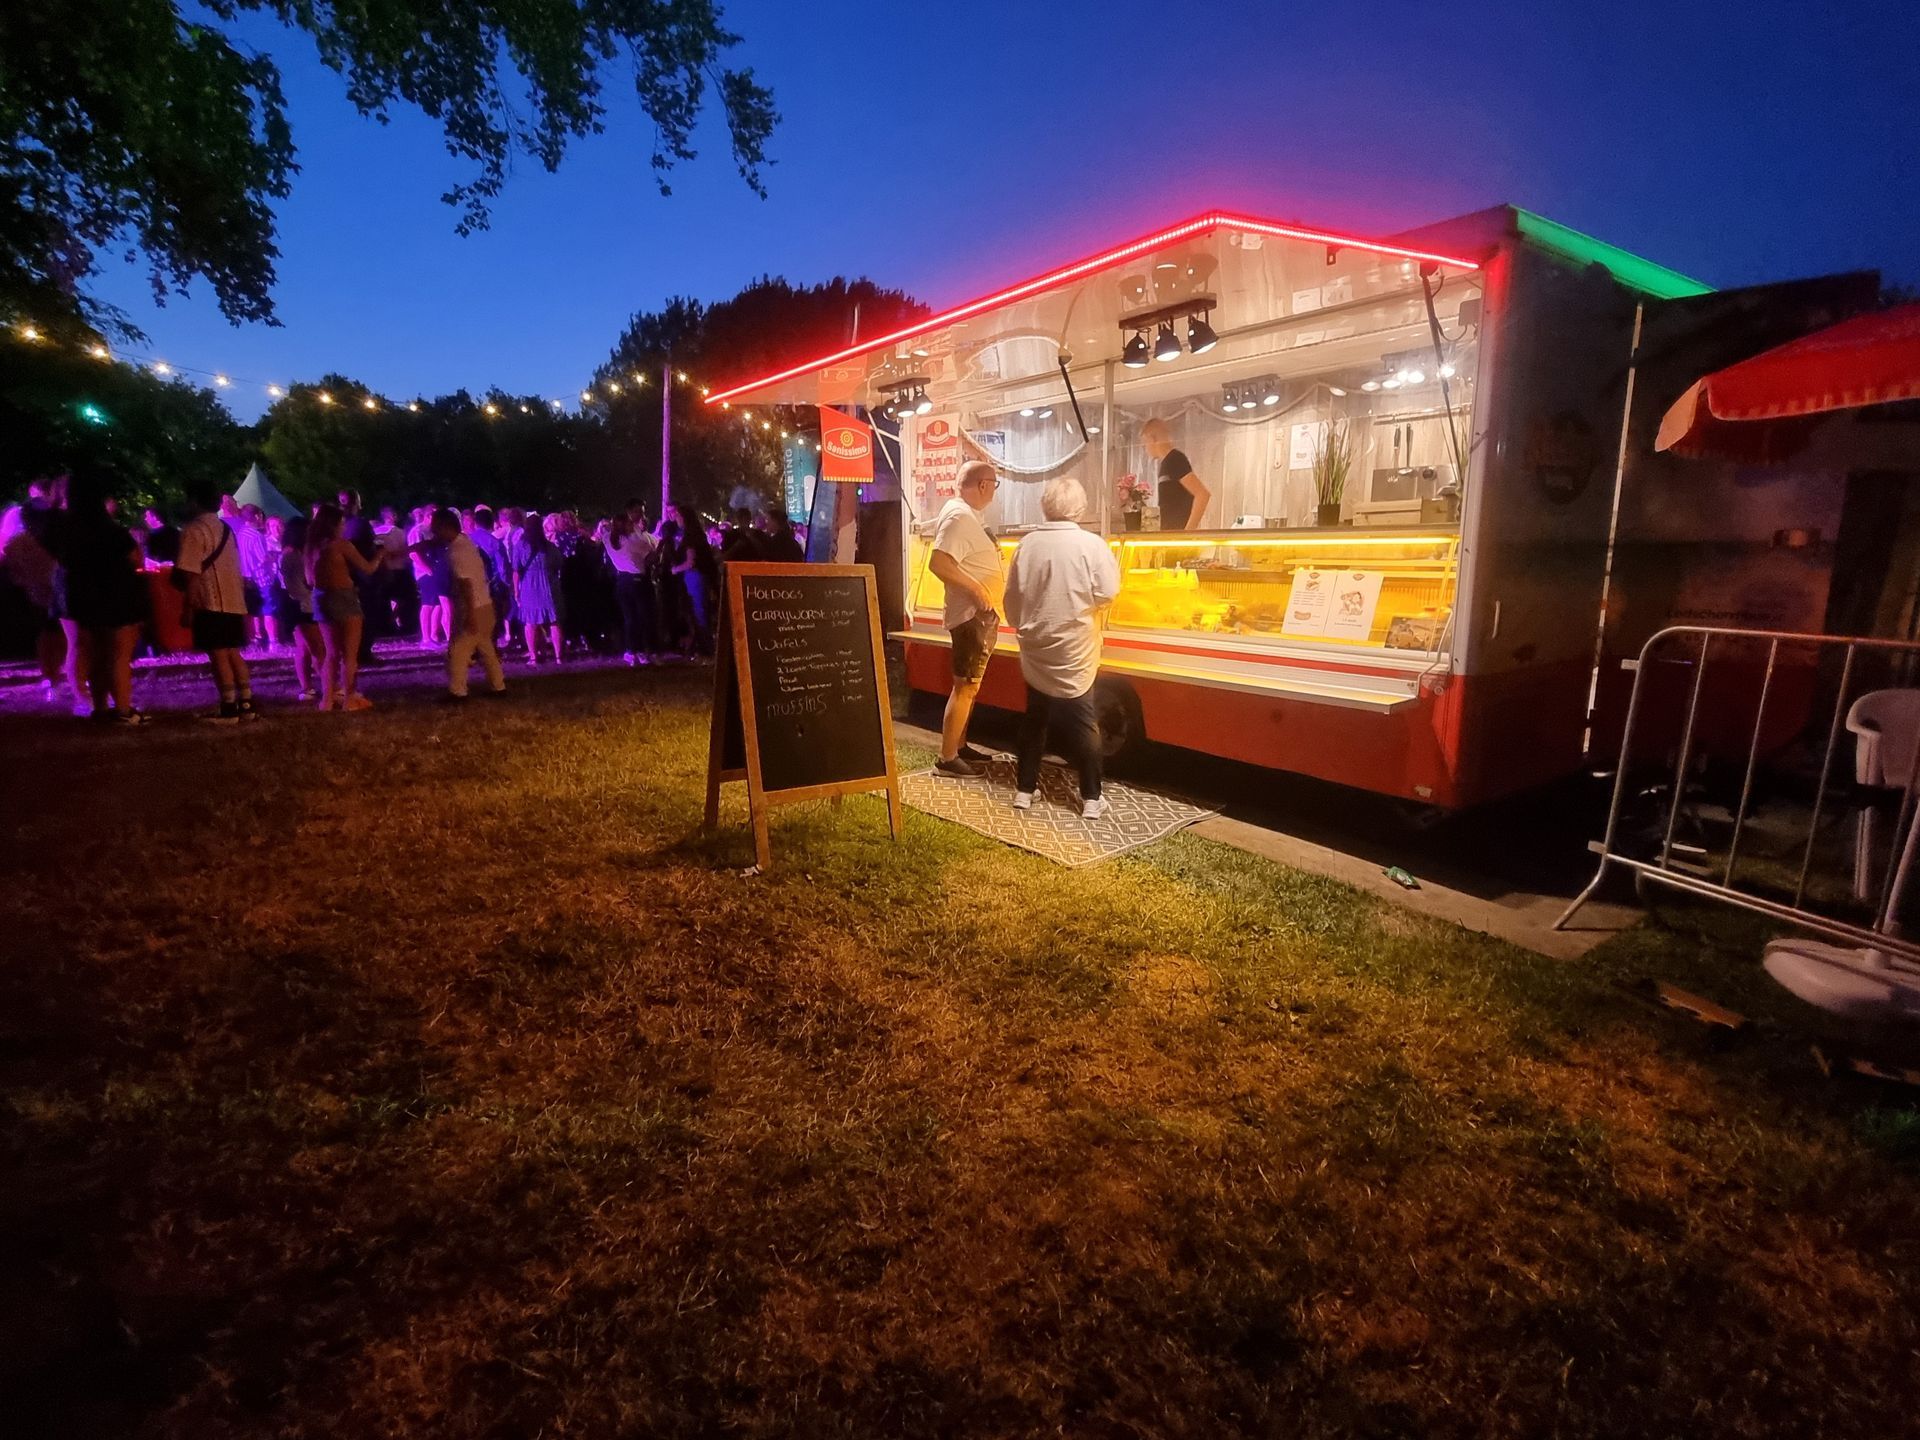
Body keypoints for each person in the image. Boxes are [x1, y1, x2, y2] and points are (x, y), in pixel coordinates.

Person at [1002, 476, 1122, 820]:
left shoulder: (1027, 544)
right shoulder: (1092, 545)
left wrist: (1023, 624)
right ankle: (1091, 798)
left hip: (1036, 647)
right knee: (1084, 722)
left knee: (1035, 718)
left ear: (1045, 506)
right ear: (1080, 509)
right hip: (1075, 649)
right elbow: (1108, 592)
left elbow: (1012, 597)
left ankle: (1025, 791)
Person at [928, 460, 1005, 777]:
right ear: (984, 485)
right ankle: (947, 758)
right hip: (971, 617)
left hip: (979, 616)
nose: (994, 492)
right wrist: (976, 588)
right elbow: (938, 563)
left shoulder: (965, 514)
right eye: (995, 485)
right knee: (965, 687)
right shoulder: (959, 517)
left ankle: (959, 746)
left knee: (970, 685)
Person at [57, 471, 151, 724]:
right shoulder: (110, 530)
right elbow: (135, 559)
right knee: (119, 655)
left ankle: (99, 707)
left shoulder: (67, 530)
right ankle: (122, 710)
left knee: (96, 655)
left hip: (83, 597)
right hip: (116, 595)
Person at [174, 482, 259, 722]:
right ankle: (246, 702)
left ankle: (228, 706)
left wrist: (188, 607)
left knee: (218, 654)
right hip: (234, 599)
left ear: (194, 502)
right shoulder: (226, 529)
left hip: (210, 601)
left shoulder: (194, 530)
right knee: (233, 652)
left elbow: (191, 572)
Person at [305, 502, 382, 711]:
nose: (344, 526)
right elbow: (368, 568)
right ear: (333, 524)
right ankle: (349, 699)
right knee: (349, 655)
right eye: (341, 523)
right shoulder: (341, 545)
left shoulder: (312, 548)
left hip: (321, 599)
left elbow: (310, 580)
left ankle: (327, 700)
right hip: (344, 598)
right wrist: (380, 555)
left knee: (331, 654)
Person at [431, 507, 506, 700]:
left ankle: (458, 692)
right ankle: (498, 686)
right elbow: (434, 542)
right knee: (486, 648)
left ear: (444, 527)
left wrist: (470, 614)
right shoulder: (465, 542)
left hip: (474, 607)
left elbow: (466, 584)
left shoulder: (456, 552)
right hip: (486, 604)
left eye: (435, 528)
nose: (433, 532)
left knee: (458, 652)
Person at [600, 503, 658, 665]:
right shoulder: (634, 542)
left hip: (622, 581)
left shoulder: (608, 539)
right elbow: (651, 555)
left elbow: (604, 531)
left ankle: (630, 650)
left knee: (629, 618)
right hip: (637, 581)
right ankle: (641, 650)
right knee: (642, 617)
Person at [274, 517, 325, 700]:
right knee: (318, 648)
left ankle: (307, 688)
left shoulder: (291, 554)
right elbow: (301, 584)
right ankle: (331, 687)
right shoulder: (293, 556)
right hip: (302, 605)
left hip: (297, 604)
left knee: (304, 647)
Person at [509, 510, 566, 665]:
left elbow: (516, 570)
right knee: (554, 622)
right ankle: (558, 657)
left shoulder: (521, 546)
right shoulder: (549, 546)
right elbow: (559, 563)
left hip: (529, 586)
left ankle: (534, 657)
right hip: (549, 585)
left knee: (531, 622)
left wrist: (516, 591)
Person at [1142, 417, 1211, 531]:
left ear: (1152, 439)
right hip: (1168, 534)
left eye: (1145, 443)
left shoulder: (1175, 459)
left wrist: (1188, 532)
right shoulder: (1166, 464)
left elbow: (1202, 494)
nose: (1146, 449)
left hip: (1177, 534)